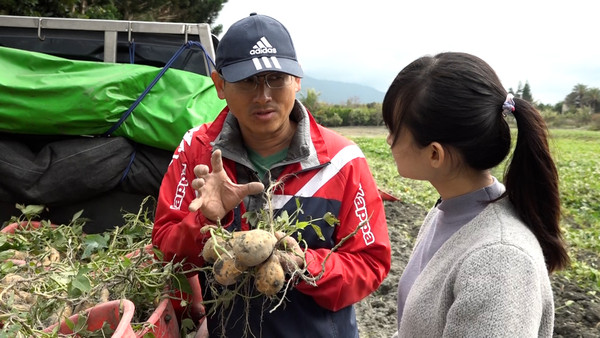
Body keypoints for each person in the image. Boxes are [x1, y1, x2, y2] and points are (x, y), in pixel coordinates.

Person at [152, 13, 391, 337]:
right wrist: (205, 222)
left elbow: (370, 263)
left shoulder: (341, 161)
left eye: (276, 78)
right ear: (220, 85)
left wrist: (304, 265)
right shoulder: (197, 151)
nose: (263, 95)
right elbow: (165, 249)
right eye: (248, 81)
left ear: (297, 80)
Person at [383, 52, 569, 337]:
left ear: (435, 153)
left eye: (394, 129)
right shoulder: (446, 211)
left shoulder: (500, 259)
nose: (388, 140)